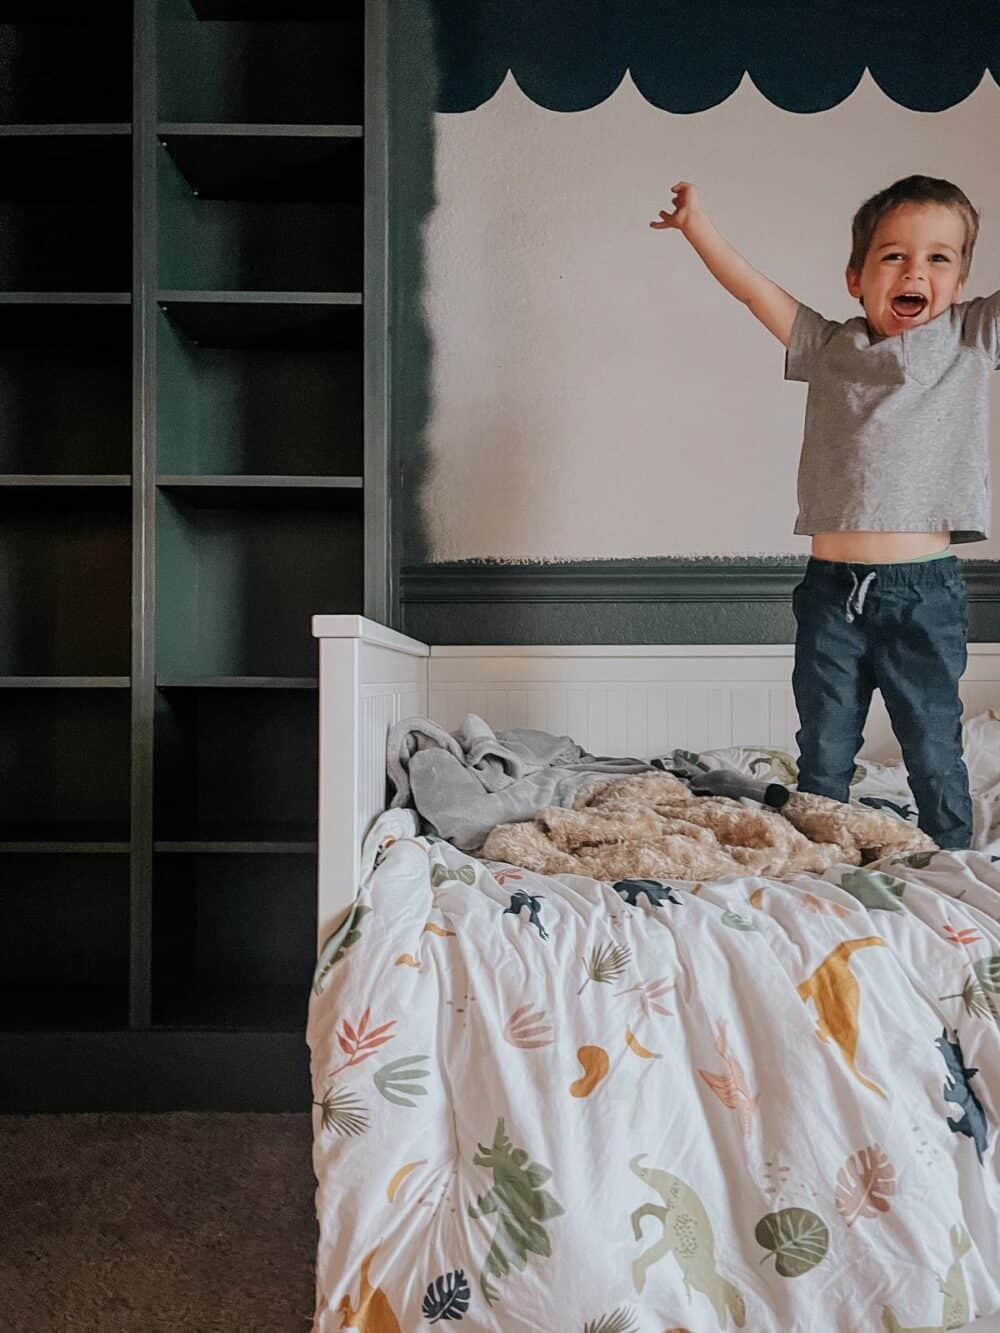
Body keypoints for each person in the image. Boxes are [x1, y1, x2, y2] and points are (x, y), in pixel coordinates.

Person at [651, 175, 1000, 849]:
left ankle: (953, 857)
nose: (915, 271)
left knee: (931, 740)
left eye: (939, 258)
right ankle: (819, 856)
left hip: (922, 594)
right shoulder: (830, 346)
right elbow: (756, 290)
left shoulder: (968, 338)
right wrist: (698, 227)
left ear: (959, 284)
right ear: (855, 278)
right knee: (824, 742)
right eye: (893, 255)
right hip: (830, 592)